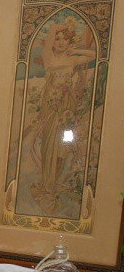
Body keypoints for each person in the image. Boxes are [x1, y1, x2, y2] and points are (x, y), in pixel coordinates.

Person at [28, 21, 95, 215]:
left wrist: (75, 51)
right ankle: (46, 184)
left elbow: (94, 55)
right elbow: (50, 35)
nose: (60, 42)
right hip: (50, 107)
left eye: (64, 39)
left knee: (62, 147)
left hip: (67, 108)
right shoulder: (48, 58)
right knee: (48, 146)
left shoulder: (72, 60)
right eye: (57, 39)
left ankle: (54, 181)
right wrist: (60, 27)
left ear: (70, 42)